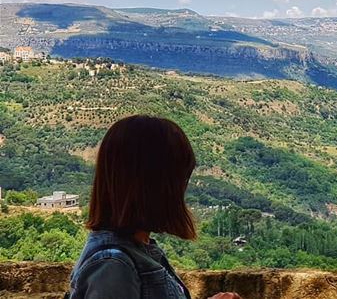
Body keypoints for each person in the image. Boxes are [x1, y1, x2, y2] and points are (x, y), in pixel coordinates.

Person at [68, 115, 241, 299]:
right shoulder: (114, 265)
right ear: (153, 186)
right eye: (179, 180)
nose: (182, 191)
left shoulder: (137, 249)